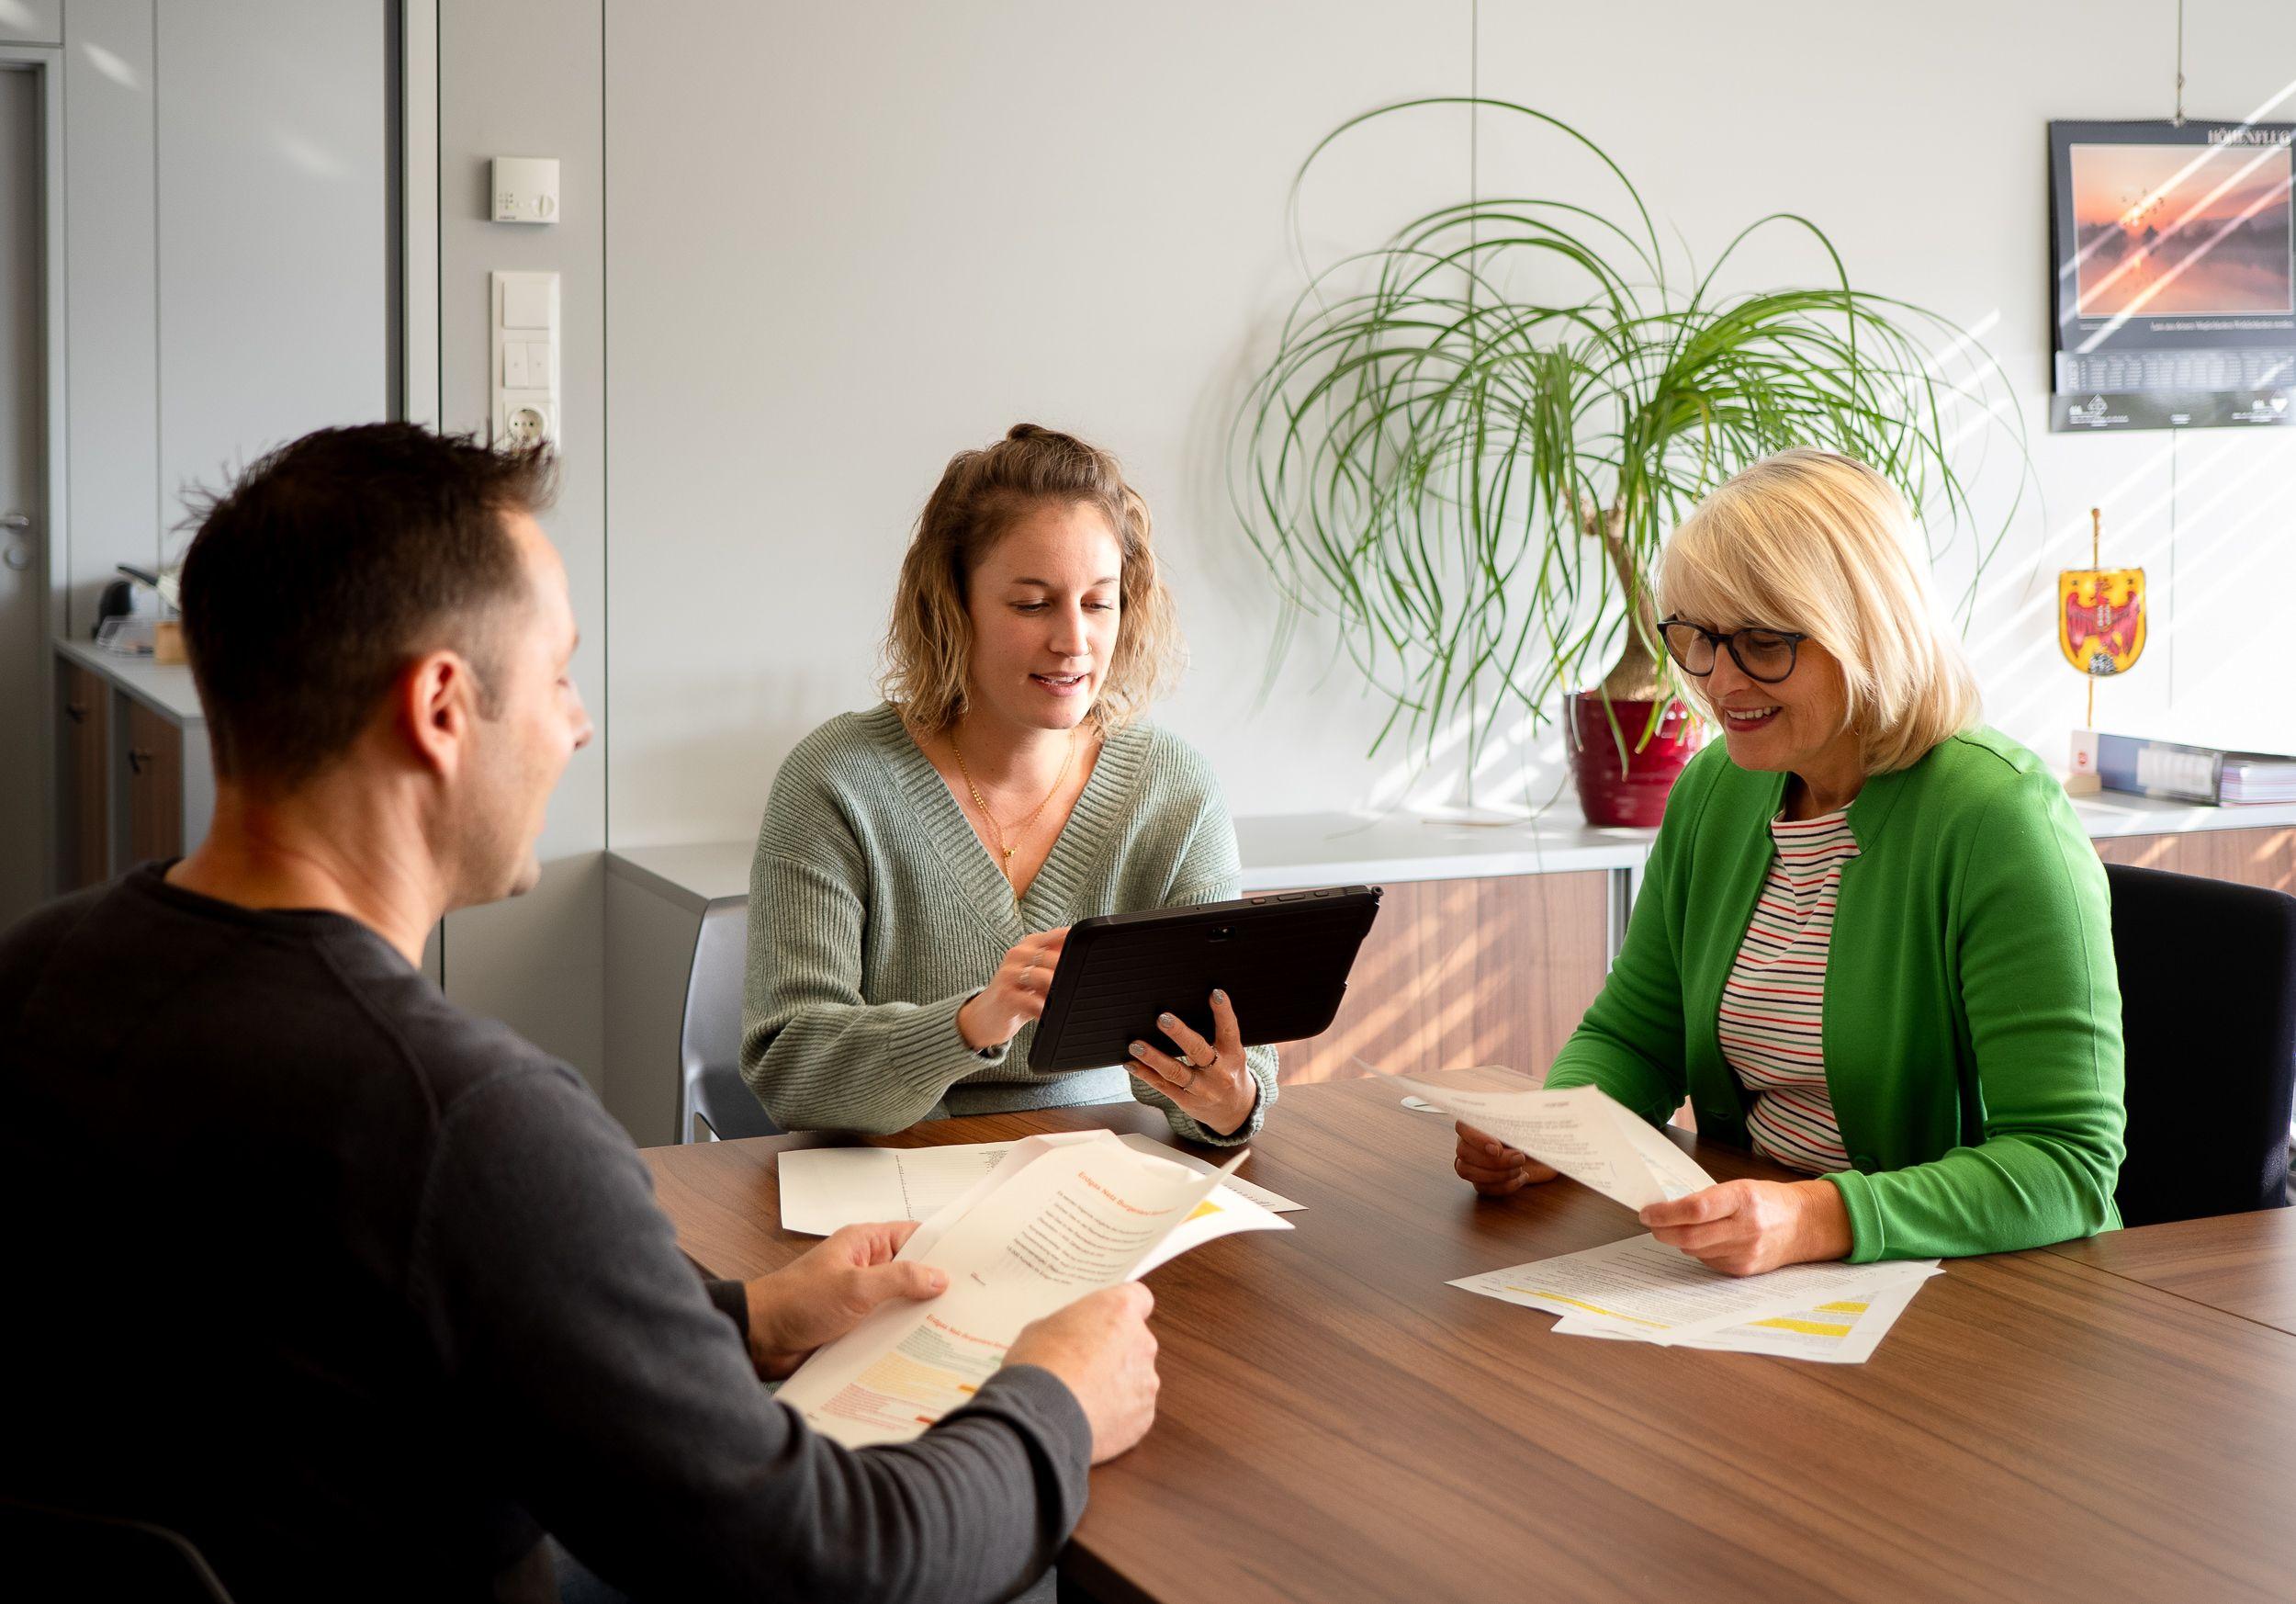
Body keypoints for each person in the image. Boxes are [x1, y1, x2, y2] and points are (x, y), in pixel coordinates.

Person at [0, 424, 1159, 1604]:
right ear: (442, 708)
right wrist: (1055, 1397)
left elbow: (375, 1311)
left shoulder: (35, 972)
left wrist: (744, 1316)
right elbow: (837, 1561)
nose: (577, 724)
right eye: (557, 674)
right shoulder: (469, 1125)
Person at [1454, 448, 2126, 1273]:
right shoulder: (1717, 792)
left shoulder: (2000, 818)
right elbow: (1638, 1037)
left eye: (1764, 643)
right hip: (1757, 1270)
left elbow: (2069, 1167)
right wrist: (1554, 1131)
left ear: (1867, 631)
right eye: (1697, 638)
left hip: (1966, 1294)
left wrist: (1816, 1216)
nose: (1719, 681)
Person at [743, 424, 1277, 1144]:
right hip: (885, 1183)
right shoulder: (838, 781)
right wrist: (971, 1022)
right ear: (952, 605)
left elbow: (1239, 1063)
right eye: (1031, 604)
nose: (1073, 641)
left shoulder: (1173, 790)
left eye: (1098, 602)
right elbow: (791, 1069)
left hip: (1099, 1174)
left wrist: (1229, 1102)